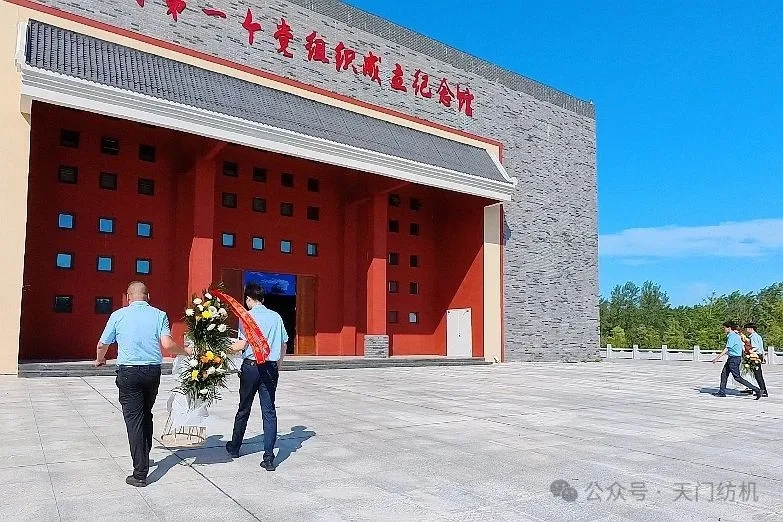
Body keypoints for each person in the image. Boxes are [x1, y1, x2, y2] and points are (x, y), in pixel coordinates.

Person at [95, 282, 189, 487]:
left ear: (128, 297)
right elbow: (167, 344)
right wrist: (186, 352)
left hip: (129, 373)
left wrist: (100, 359)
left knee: (134, 420)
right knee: (146, 414)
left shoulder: (118, 315)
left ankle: (139, 473)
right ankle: (144, 457)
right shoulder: (159, 315)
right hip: (152, 372)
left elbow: (103, 344)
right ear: (148, 296)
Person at [225, 282, 288, 471]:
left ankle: (235, 447)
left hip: (251, 368)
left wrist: (219, 351)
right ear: (263, 298)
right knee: (269, 411)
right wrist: (278, 366)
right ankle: (269, 458)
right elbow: (284, 344)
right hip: (270, 368)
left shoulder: (247, 317)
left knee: (244, 408)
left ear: (248, 299)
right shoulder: (276, 317)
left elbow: (242, 345)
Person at [710, 321, 762, 399]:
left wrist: (717, 358)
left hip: (734, 359)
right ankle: (721, 392)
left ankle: (757, 390)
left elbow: (727, 348)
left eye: (725, 328)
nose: (724, 329)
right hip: (732, 358)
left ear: (729, 328)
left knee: (737, 377)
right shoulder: (735, 335)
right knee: (724, 374)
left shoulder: (732, 336)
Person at [739, 323, 768, 397]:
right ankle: (753, 388)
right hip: (757, 356)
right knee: (753, 373)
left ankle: (763, 390)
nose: (746, 330)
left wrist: (748, 352)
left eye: (747, 328)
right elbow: (761, 348)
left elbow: (756, 347)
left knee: (757, 374)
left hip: (754, 356)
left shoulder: (753, 337)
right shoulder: (757, 336)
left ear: (751, 329)